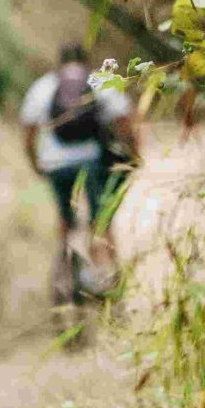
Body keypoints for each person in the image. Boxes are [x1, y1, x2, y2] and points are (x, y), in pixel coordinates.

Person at [20, 45, 142, 289]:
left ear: (59, 62)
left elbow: (28, 131)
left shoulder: (43, 86)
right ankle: (108, 277)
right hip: (92, 162)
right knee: (100, 221)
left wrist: (36, 164)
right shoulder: (98, 81)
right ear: (86, 62)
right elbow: (124, 121)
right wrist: (134, 154)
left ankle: (64, 278)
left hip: (55, 166)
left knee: (66, 219)